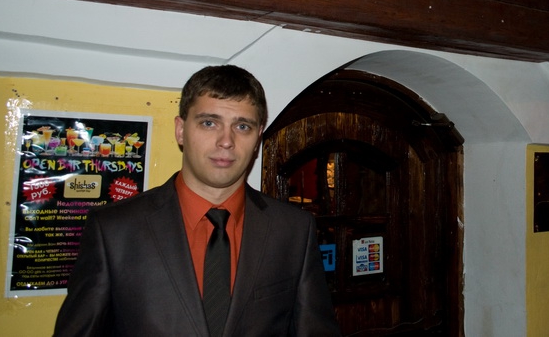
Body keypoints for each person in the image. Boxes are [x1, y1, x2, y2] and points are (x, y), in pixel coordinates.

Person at [53, 65, 340, 336]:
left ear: (257, 138)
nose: (226, 141)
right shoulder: (114, 230)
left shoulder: (293, 230)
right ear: (181, 130)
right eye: (209, 123)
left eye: (242, 126)